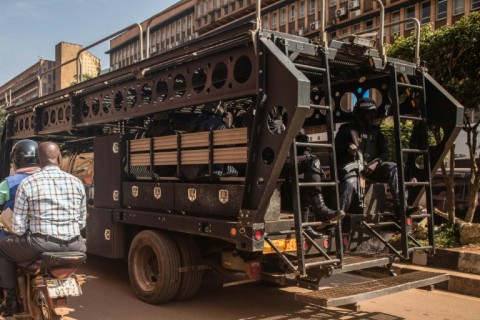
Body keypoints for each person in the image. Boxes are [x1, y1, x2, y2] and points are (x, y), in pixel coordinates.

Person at [0, 141, 87, 316]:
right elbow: (81, 223)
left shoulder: (27, 184)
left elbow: (18, 227)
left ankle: (10, 298)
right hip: (77, 247)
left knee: (2, 248)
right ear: (60, 158)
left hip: (40, 245)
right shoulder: (77, 182)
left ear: (39, 160)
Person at [334, 98, 421, 219]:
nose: (372, 115)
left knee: (394, 168)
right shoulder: (346, 129)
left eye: (373, 112)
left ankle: (402, 208)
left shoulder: (376, 131)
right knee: (349, 183)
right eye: (369, 112)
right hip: (351, 169)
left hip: (371, 168)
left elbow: (385, 153)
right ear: (360, 113)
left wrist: (376, 163)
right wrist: (348, 146)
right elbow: (335, 149)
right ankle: (338, 217)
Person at [291, 130, 345, 238]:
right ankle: (320, 210)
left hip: (293, 161)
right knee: (313, 160)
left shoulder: (297, 128)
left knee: (305, 177)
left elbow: (305, 148)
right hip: (274, 161)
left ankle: (304, 224)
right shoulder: (276, 119)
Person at [0, 140, 41, 238]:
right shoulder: (47, 179)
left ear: (15, 160)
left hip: (14, 237)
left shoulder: (8, 182)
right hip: (45, 236)